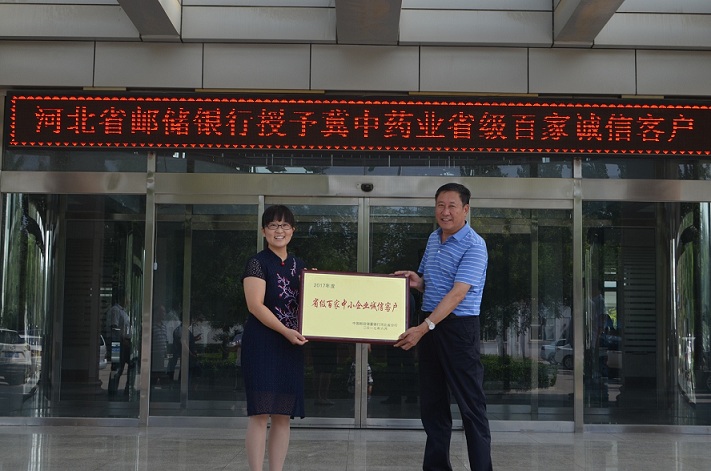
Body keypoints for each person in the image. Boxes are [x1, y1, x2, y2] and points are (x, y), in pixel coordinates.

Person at [394, 182, 493, 471]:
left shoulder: (475, 245)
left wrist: (423, 327)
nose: (445, 212)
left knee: (471, 407)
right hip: (431, 324)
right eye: (440, 205)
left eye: (452, 206)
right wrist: (418, 282)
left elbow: (458, 294)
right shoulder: (433, 238)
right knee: (433, 405)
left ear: (466, 209)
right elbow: (433, 285)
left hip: (458, 329)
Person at [241, 205, 308, 471]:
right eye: (273, 225)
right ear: (263, 231)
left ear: (293, 230)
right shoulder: (257, 263)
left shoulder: (301, 266)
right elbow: (255, 306)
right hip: (262, 345)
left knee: (283, 415)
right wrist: (285, 331)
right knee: (260, 413)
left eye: (285, 225)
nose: (279, 230)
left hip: (291, 347)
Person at [106, 289, 131, 397]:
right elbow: (114, 327)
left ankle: (127, 388)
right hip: (117, 344)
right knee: (116, 367)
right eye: (127, 298)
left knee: (131, 364)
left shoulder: (124, 311)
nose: (128, 300)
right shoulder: (115, 310)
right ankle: (112, 390)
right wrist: (122, 339)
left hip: (125, 344)